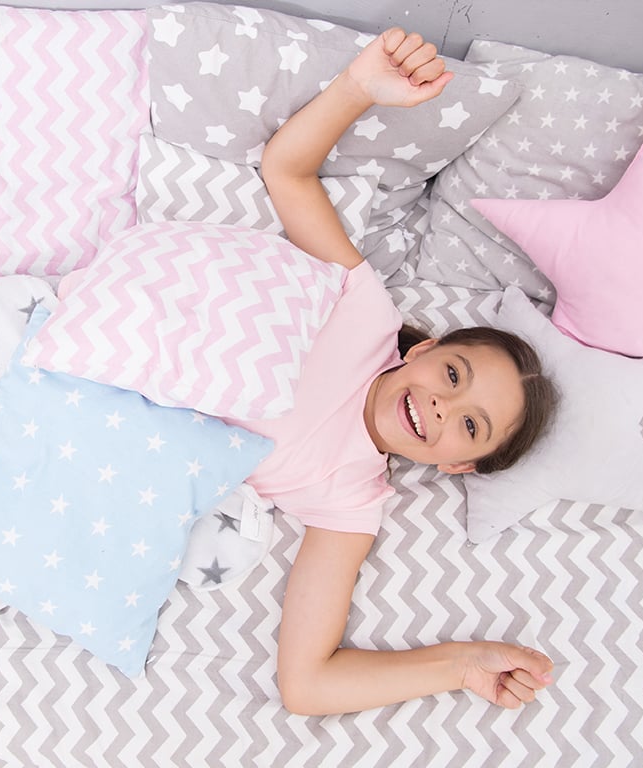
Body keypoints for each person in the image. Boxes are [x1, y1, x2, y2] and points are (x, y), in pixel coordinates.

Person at [235, 28, 558, 716]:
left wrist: (461, 665)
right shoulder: (364, 311)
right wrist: (358, 87)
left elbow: (307, 685)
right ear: (422, 350)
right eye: (454, 376)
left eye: (470, 426)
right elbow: (286, 171)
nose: (443, 406)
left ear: (458, 466)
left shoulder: (350, 498)